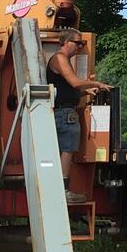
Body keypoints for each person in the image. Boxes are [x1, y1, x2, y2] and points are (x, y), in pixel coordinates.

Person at [47, 35, 111, 204]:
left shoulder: (60, 60)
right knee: (67, 149)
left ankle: (59, 188)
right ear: (66, 42)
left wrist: (84, 92)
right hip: (64, 113)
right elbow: (74, 83)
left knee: (65, 149)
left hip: (61, 110)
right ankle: (62, 190)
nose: (80, 46)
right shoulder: (60, 58)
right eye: (78, 43)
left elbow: (67, 89)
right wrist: (96, 83)